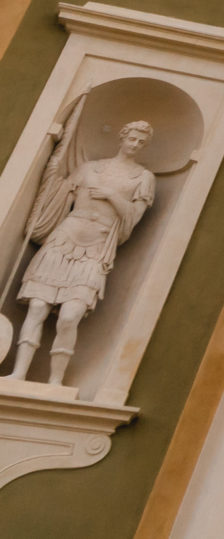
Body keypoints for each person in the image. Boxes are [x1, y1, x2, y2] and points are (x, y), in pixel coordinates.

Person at [12, 118, 155, 385]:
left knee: (70, 315)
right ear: (122, 137)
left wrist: (112, 196)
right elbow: (58, 196)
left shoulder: (143, 178)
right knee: (38, 305)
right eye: (132, 138)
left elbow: (132, 219)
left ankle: (55, 381)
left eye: (141, 142)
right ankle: (19, 373)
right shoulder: (90, 168)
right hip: (64, 240)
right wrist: (52, 168)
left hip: (96, 248)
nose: (135, 144)